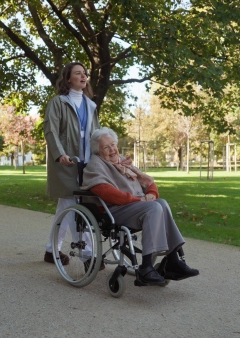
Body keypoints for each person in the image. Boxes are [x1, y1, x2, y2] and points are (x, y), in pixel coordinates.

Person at [80, 127, 199, 285]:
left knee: (161, 203)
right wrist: (138, 200)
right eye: (106, 147)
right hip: (113, 211)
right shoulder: (96, 165)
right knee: (154, 207)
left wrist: (151, 194)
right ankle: (146, 267)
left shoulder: (124, 163)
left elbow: (149, 183)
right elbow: (105, 192)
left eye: (113, 144)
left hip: (135, 207)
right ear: (97, 150)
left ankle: (173, 260)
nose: (112, 150)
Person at [43, 62, 103, 269]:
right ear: (68, 78)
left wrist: (105, 155)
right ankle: (87, 255)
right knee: (73, 205)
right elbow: (50, 130)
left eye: (85, 73)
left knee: (67, 206)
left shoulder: (91, 105)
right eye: (78, 73)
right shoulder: (58, 102)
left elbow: (95, 134)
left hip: (86, 163)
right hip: (67, 163)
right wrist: (60, 154)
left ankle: (51, 251)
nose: (83, 76)